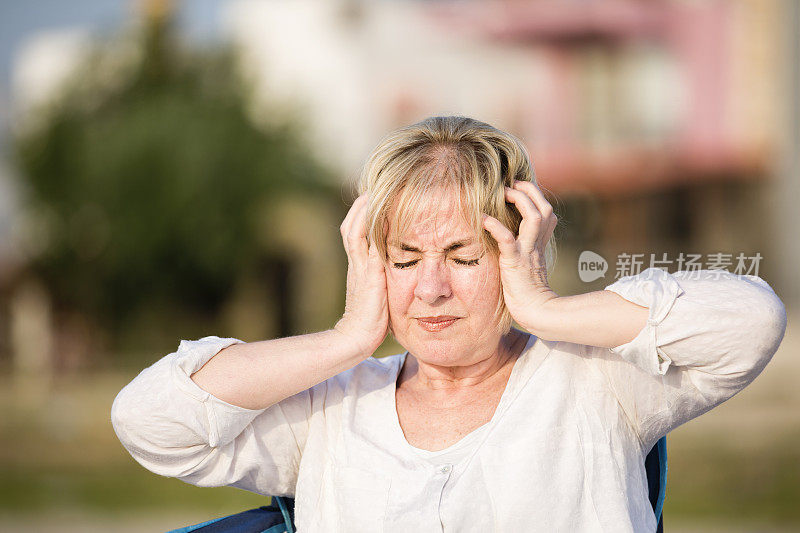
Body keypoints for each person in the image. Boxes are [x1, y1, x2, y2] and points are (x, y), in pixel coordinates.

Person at [111, 116, 787, 532]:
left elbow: (750, 321)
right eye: (405, 258)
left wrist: (547, 309)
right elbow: (149, 420)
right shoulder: (330, 408)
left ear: (520, 250)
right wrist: (346, 338)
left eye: (465, 256)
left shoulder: (596, 380)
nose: (431, 288)